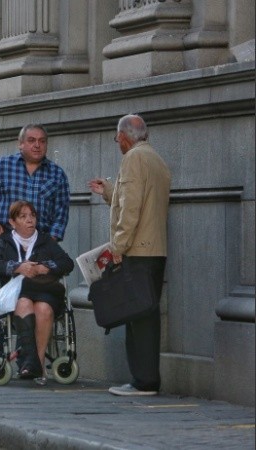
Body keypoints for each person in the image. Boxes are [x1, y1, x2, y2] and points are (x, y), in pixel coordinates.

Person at [88, 114, 171, 397]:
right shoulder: (155, 158)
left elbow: (131, 209)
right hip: (154, 250)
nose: (117, 143)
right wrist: (109, 191)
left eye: (116, 138)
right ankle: (145, 379)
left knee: (139, 318)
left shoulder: (133, 158)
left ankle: (144, 381)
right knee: (145, 315)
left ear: (124, 136)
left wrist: (118, 247)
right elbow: (137, 199)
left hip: (138, 250)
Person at [0, 201, 74, 381]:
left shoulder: (45, 241)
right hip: (19, 293)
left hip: (45, 291)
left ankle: (36, 363)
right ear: (12, 222)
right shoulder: (5, 242)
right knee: (24, 303)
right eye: (23, 216)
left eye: (32, 216)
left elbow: (67, 263)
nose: (29, 220)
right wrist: (18, 267)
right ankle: (33, 363)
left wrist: (45, 267)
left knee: (44, 309)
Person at [0, 124, 70, 241]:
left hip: (40, 242)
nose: (37, 145)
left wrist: (50, 243)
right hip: (7, 239)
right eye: (31, 140)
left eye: (42, 141)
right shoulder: (2, 166)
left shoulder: (57, 174)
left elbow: (61, 213)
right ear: (21, 144)